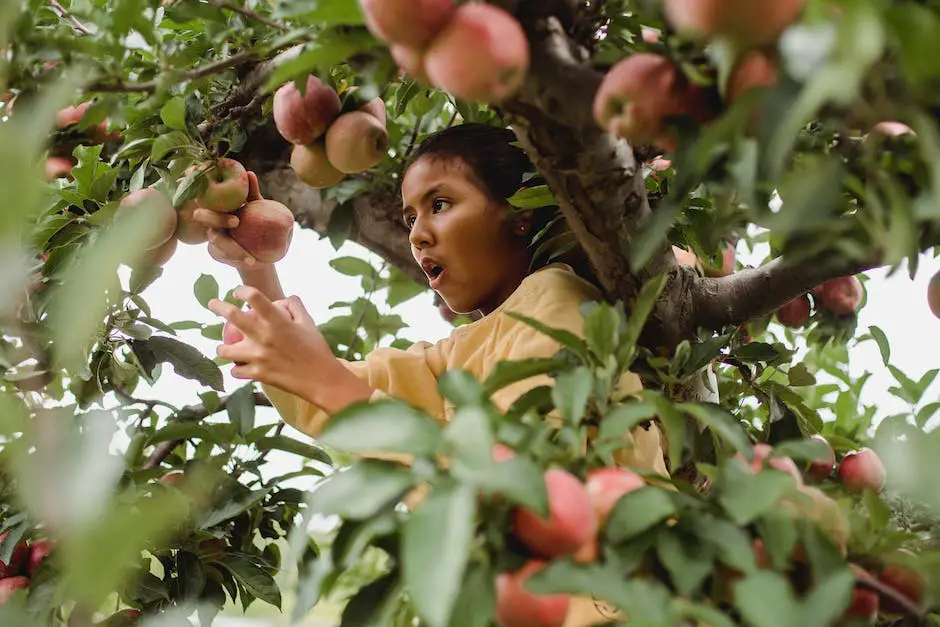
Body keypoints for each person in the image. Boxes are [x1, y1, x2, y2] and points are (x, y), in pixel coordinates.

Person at [196, 122, 666, 626]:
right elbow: (320, 393)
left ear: (520, 215)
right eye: (410, 215)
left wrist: (323, 380)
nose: (417, 233)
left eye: (439, 204)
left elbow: (527, 491)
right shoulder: (460, 353)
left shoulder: (558, 298)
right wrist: (257, 265)